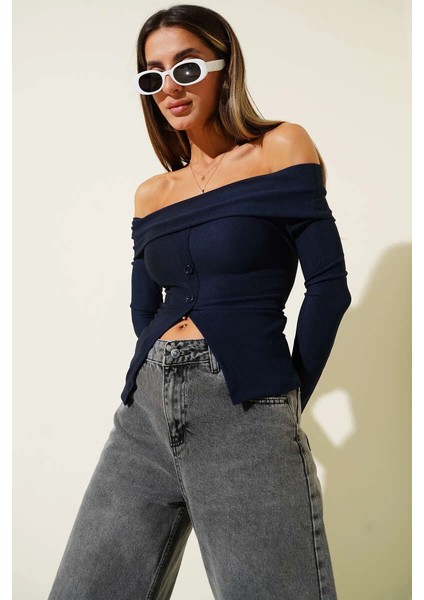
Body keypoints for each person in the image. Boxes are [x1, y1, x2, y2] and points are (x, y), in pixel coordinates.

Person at [48, 4, 351, 599]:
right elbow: (143, 308)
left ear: (223, 65)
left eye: (186, 67)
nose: (170, 87)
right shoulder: (152, 193)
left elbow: (329, 286)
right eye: (153, 75)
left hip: (245, 407)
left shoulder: (281, 148)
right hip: (143, 415)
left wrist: (282, 400)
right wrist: (152, 365)